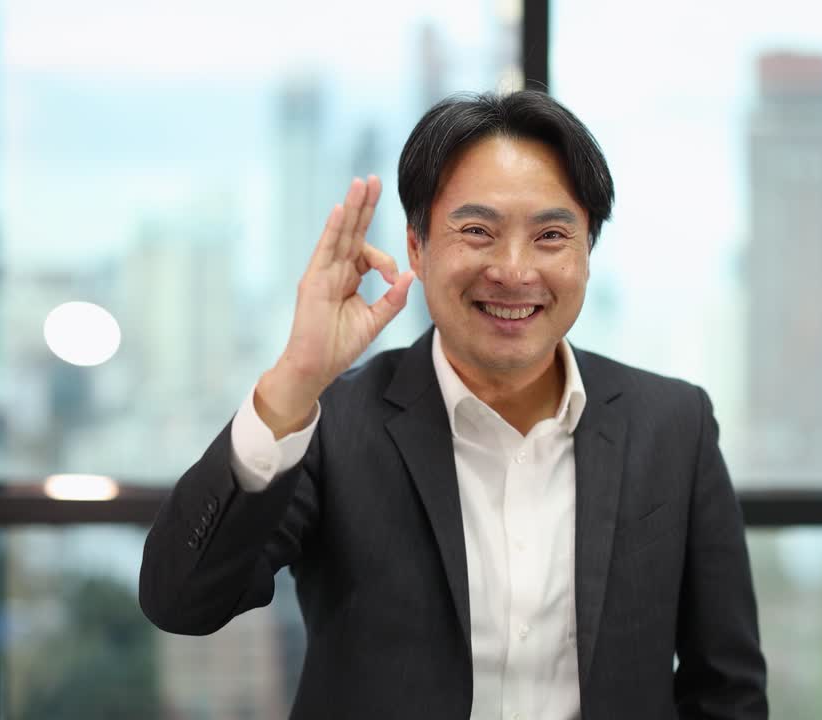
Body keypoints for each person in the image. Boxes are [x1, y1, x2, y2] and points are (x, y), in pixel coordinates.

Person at [139, 90, 768, 719]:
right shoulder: (332, 424)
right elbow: (181, 600)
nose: (514, 270)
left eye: (551, 235)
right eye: (477, 232)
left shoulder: (674, 425)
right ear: (416, 247)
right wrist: (293, 382)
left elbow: (727, 689)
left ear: (587, 250)